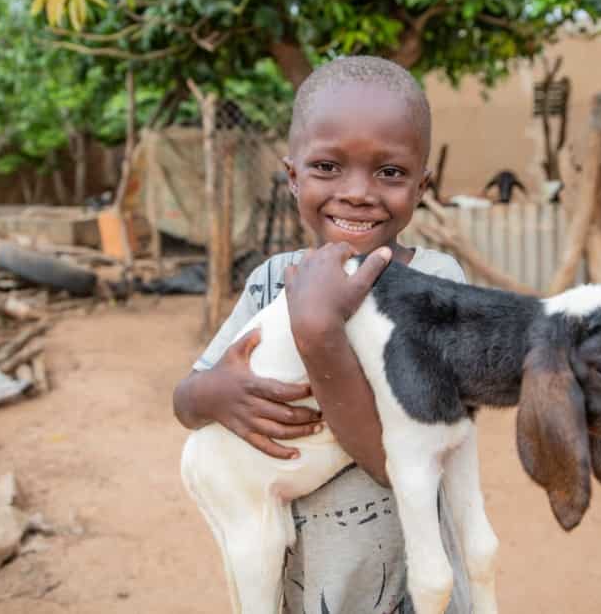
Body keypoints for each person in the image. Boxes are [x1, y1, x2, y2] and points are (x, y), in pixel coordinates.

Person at [173, 56, 472, 613]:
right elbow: (188, 401)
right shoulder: (270, 282)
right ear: (293, 177)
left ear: (423, 185)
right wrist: (215, 394)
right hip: (305, 585)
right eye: (328, 167)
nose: (358, 192)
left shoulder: (438, 288)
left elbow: (397, 465)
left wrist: (317, 335)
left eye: (390, 172)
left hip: (411, 592)